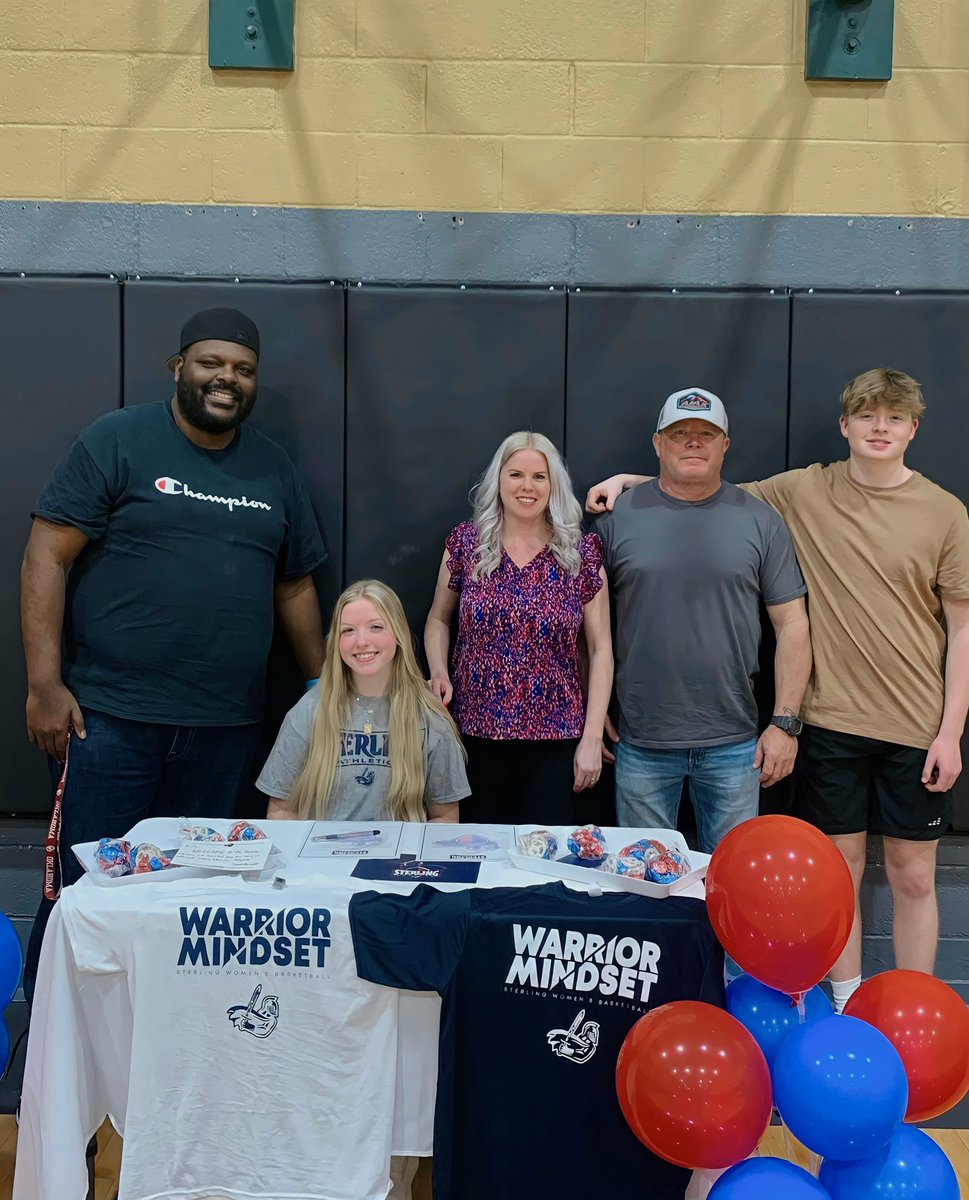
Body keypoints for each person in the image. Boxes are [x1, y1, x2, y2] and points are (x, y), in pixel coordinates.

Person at [586, 369, 969, 1010]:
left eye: (895, 418)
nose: (881, 429)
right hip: (817, 722)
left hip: (896, 724)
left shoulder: (942, 512)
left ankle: (912, 1008)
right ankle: (835, 1001)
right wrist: (628, 484)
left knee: (909, 876)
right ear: (844, 425)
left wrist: (951, 731)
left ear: (913, 429)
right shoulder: (800, 490)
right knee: (831, 873)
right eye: (869, 417)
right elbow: (691, 493)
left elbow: (958, 630)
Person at [21, 307, 327, 995]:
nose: (227, 379)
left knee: (192, 903)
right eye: (212, 363)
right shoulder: (119, 440)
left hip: (225, 730)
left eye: (243, 370)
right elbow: (47, 554)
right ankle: (43, 1059)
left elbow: (294, 585)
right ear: (179, 368)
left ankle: (160, 1044)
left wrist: (320, 690)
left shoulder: (272, 469)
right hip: (107, 722)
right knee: (83, 895)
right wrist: (43, 684)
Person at [592, 388, 811, 854]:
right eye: (680, 433)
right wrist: (592, 713)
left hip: (735, 745)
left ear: (724, 444)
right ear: (658, 443)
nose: (693, 442)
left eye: (706, 433)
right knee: (643, 890)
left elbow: (793, 624)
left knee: (732, 894)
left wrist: (786, 723)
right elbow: (585, 624)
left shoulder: (760, 520)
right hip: (642, 740)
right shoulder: (616, 518)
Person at [424, 431, 612, 824]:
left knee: (543, 863)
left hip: (555, 737)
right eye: (516, 475)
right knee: (479, 859)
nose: (527, 486)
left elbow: (601, 649)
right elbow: (439, 619)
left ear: (553, 485)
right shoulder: (466, 544)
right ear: (499, 480)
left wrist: (592, 736)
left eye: (539, 477)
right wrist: (438, 671)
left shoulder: (580, 552)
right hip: (473, 731)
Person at [259, 579, 468, 822]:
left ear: (398, 634)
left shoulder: (429, 718)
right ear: (336, 642)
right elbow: (281, 810)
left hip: (398, 859)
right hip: (324, 857)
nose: (361, 641)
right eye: (348, 630)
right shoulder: (308, 712)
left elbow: (445, 818)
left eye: (376, 627)